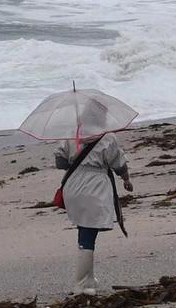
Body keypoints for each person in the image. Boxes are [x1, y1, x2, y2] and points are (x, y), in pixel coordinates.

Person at [53, 112, 133, 295]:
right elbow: (119, 164)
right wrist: (126, 180)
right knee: (88, 233)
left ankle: (89, 278)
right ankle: (81, 284)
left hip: (72, 185)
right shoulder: (108, 137)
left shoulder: (72, 133)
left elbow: (60, 162)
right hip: (94, 186)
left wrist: (77, 158)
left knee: (84, 228)